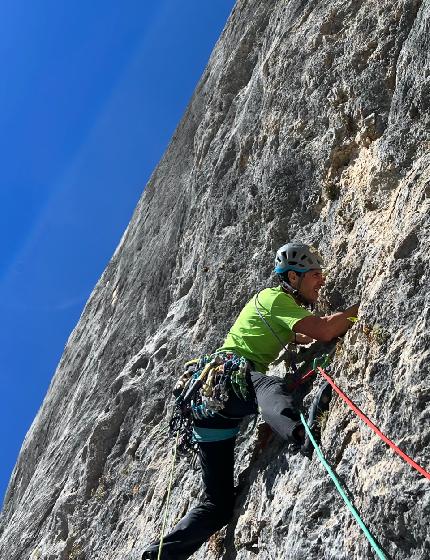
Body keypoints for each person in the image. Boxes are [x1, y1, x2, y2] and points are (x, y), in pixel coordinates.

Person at [142, 243, 359, 560]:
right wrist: (362, 309)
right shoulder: (275, 299)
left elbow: (303, 335)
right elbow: (324, 331)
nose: (321, 281)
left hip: (209, 409)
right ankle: (301, 434)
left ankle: (157, 556)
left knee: (218, 506)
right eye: (315, 274)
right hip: (226, 381)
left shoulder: (275, 307)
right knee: (267, 384)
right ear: (293, 278)